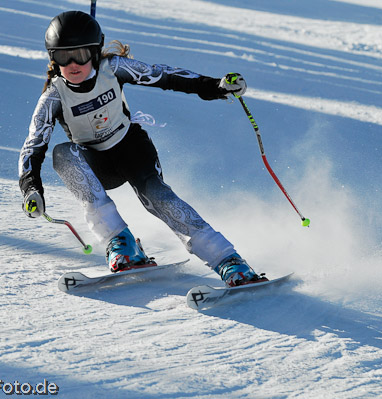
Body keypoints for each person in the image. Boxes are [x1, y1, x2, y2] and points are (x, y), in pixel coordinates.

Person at [19, 10, 265, 287]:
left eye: (81, 54)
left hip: (132, 149)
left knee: (156, 196)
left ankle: (229, 261)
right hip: (97, 165)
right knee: (62, 154)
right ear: (53, 58)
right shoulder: (53, 96)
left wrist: (216, 86)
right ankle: (120, 243)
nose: (73, 64)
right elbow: (32, 148)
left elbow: (167, 76)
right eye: (64, 57)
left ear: (95, 52)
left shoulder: (114, 68)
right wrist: (31, 189)